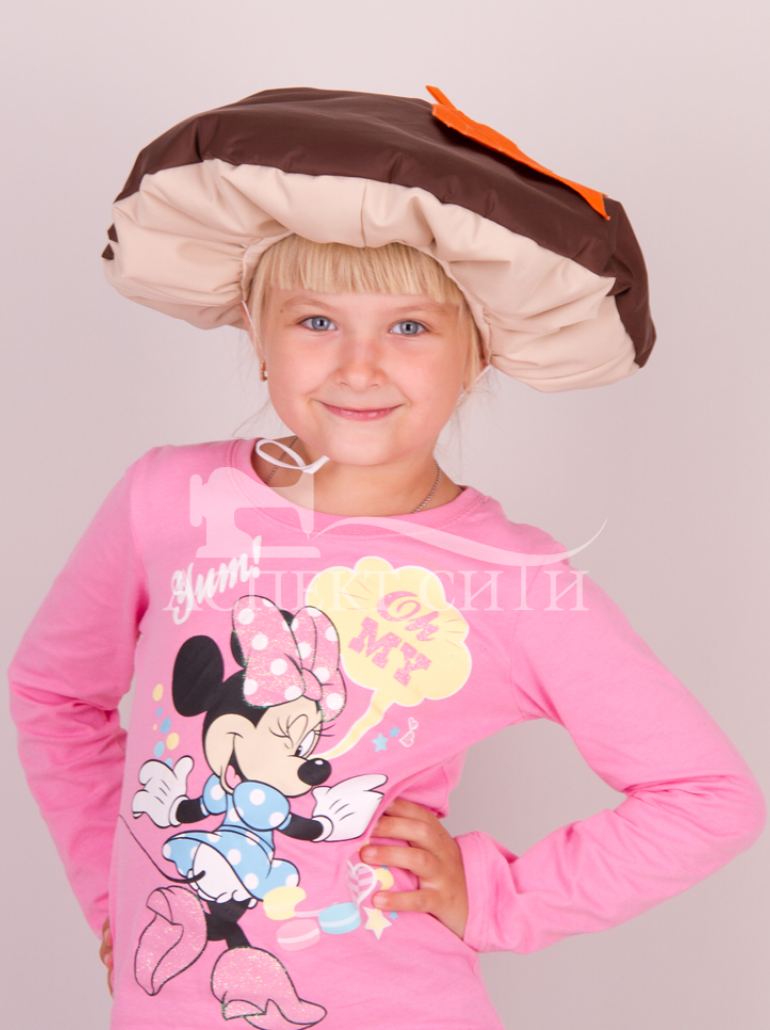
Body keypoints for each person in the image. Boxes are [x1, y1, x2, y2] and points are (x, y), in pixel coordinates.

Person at [9, 87, 764, 1030]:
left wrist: (494, 895)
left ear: (475, 355)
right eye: (316, 322)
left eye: (410, 327)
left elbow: (708, 797)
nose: (359, 366)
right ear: (257, 334)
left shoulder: (514, 581)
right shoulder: (166, 499)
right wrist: (112, 892)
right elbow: (53, 694)